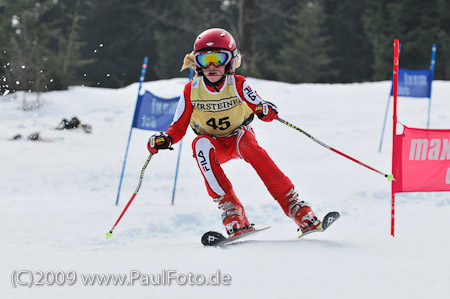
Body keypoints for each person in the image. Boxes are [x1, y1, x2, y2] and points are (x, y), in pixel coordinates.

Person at [147, 28, 320, 237]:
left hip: (238, 137)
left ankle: (293, 205)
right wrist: (164, 139)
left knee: (251, 147)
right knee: (199, 145)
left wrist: (266, 110)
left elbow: (260, 107)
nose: (211, 66)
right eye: (204, 60)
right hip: (213, 143)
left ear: (230, 61)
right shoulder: (191, 89)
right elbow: (178, 126)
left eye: (218, 59)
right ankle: (232, 210)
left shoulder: (237, 84)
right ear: (197, 63)